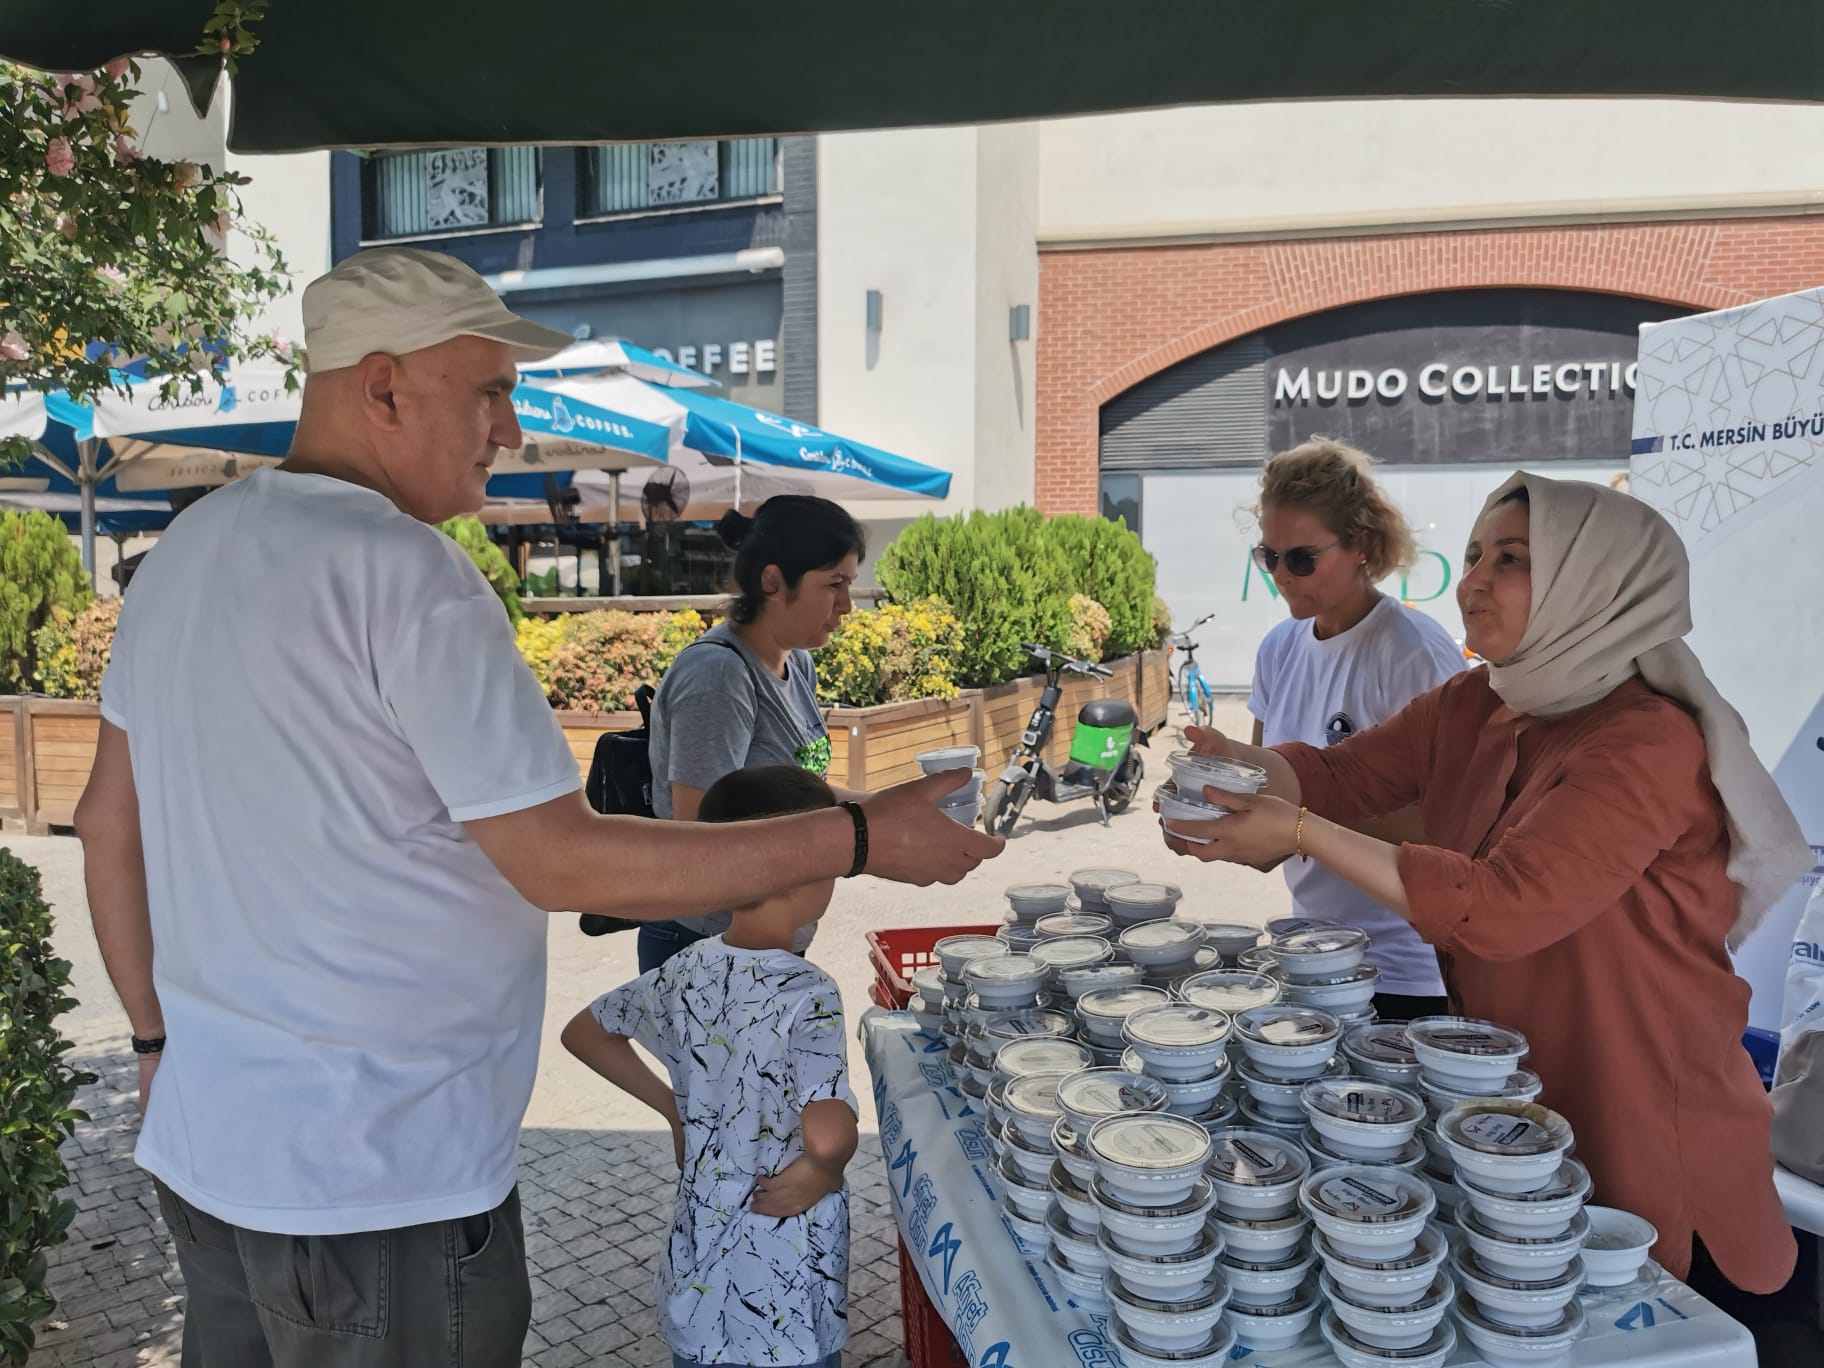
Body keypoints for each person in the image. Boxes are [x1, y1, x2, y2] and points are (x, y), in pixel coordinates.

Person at [73, 246, 1001, 1368]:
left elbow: (107, 826)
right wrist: (858, 835)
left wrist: (154, 1038)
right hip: (379, 1180)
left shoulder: (182, 556)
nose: (507, 429)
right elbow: (561, 862)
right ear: (382, 388)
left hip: (214, 1152)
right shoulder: (405, 571)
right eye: (490, 391)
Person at [1161, 470, 1811, 1297]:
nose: (1471, 581)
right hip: (1511, 1108)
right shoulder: (1477, 702)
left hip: (1645, 1111)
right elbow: (1342, 775)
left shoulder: (1646, 739)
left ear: (1595, 582)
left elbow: (1502, 908)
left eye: (1510, 559)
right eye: (1472, 554)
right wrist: (1244, 772)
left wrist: (1295, 831)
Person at [562, 765, 855, 1368]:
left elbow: (586, 1032)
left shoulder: (686, 967)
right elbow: (827, 1133)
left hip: (699, 1278)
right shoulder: (809, 989)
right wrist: (826, 1167)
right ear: (811, 870)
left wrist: (677, 1110)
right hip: (785, 1282)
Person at [1244, 439, 1465, 1019]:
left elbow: (1453, 825)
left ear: (1362, 545)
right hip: (1307, 954)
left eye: (1301, 559)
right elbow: (1259, 784)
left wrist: (1295, 827)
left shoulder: (1412, 652)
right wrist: (1219, 816)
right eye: (1269, 557)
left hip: (1405, 968)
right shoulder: (1279, 647)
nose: (1282, 577)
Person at [638, 496, 864, 972]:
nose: (846, 605)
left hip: (772, 935)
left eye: (851, 584)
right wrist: (860, 839)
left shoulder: (797, 661)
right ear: (773, 582)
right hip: (708, 945)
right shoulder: (719, 677)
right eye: (834, 584)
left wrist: (892, 808)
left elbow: (799, 792)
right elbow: (700, 830)